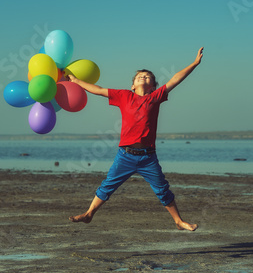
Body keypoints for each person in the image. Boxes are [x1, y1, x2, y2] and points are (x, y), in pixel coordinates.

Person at [67, 47, 204, 231]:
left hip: (148, 157)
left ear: (154, 86)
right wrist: (76, 81)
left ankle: (178, 221)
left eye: (147, 77)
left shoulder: (156, 97)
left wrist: (194, 63)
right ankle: (89, 214)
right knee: (108, 185)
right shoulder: (124, 96)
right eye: (140, 76)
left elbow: (175, 79)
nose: (143, 77)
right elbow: (98, 90)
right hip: (125, 155)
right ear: (132, 85)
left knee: (162, 189)